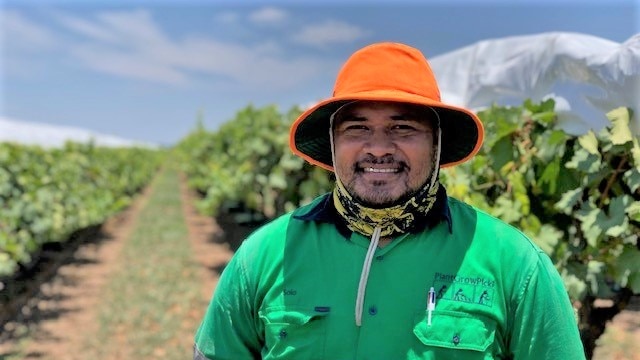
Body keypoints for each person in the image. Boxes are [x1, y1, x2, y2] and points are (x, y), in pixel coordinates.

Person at [193, 42, 586, 359]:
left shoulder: (515, 265)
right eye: (357, 128)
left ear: (436, 145)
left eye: (403, 127)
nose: (378, 148)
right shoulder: (261, 256)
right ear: (332, 145)